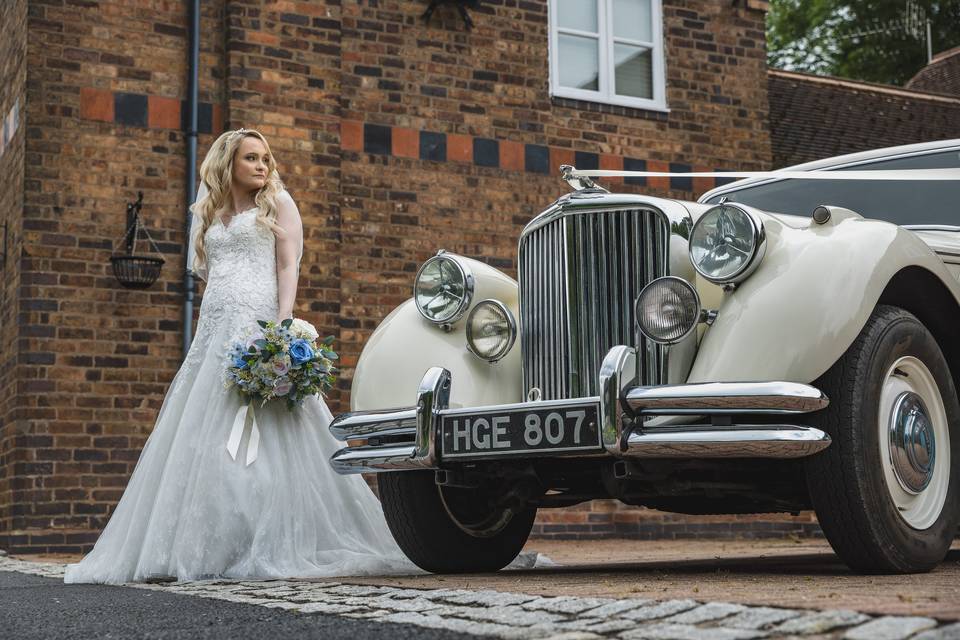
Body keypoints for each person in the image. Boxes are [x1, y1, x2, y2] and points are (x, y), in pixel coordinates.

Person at [64, 129, 414, 583]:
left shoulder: (280, 204)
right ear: (228, 163)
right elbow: (210, 277)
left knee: (272, 436)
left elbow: (288, 265)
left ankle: (272, 537)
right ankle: (209, 544)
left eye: (266, 158)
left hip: (259, 325)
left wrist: (282, 325)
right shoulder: (210, 214)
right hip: (215, 335)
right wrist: (211, 326)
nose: (262, 166)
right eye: (251, 158)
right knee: (200, 438)